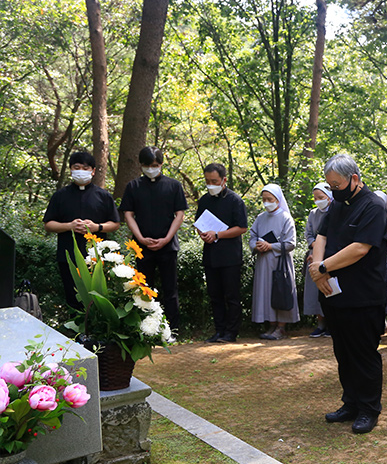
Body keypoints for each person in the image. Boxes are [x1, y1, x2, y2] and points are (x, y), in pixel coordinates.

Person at [310, 154, 387, 435]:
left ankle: (369, 409)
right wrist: (318, 271)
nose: (334, 190)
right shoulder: (337, 205)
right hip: (333, 293)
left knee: (363, 353)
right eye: (330, 186)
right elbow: (321, 237)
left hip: (363, 295)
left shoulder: (374, 206)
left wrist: (323, 267)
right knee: (342, 352)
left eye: (337, 185)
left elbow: (360, 248)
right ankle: (351, 403)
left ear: (354, 179)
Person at [119, 146, 188, 330]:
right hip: (142, 247)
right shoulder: (133, 186)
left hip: (168, 246)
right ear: (141, 165)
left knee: (170, 289)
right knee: (143, 289)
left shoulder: (174, 185)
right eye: (147, 165)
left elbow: (180, 214)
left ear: (161, 164)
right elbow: (128, 214)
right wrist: (140, 238)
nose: (151, 169)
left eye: (155, 165)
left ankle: (172, 329)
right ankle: (146, 329)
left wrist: (166, 238)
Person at [43, 151, 121, 310]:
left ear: (93, 171)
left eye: (85, 168)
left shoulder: (104, 196)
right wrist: (69, 226)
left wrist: (97, 227)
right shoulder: (60, 196)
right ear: (71, 169)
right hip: (68, 256)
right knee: (72, 298)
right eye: (77, 167)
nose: (81, 171)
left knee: (97, 300)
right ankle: (74, 326)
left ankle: (94, 325)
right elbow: (48, 224)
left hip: (97, 258)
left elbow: (115, 223)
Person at [197, 163, 248, 343]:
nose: (210, 185)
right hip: (211, 255)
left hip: (230, 256)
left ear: (224, 180)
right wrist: (203, 234)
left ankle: (231, 332)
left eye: (214, 181)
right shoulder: (204, 200)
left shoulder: (235, 200)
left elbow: (242, 227)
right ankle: (219, 330)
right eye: (207, 181)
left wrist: (218, 234)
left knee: (231, 296)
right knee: (215, 295)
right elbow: (199, 224)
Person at [249, 184, 299, 340]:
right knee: (266, 291)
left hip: (280, 262)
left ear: (278, 199)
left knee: (281, 291)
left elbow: (291, 243)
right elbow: (252, 237)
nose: (267, 202)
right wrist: (257, 245)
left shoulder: (285, 218)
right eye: (264, 199)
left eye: (270, 199)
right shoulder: (260, 218)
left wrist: (271, 246)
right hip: (263, 261)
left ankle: (281, 327)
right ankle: (271, 324)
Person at [305, 183, 333, 337]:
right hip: (314, 256)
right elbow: (309, 234)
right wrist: (315, 246)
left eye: (321, 197)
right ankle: (320, 324)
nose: (318, 201)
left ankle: (331, 325)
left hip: (330, 256)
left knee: (329, 289)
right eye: (315, 198)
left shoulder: (335, 212)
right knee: (315, 291)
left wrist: (323, 249)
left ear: (329, 197)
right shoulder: (313, 213)